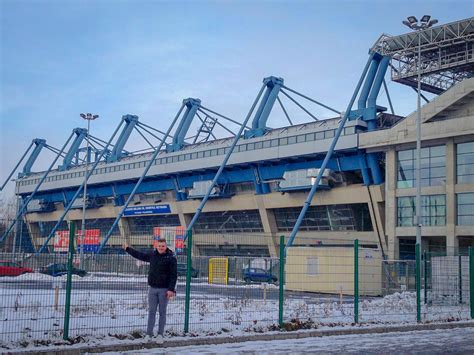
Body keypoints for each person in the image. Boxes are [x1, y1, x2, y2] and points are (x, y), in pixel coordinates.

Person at [123, 238, 177, 341]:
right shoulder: (152, 255)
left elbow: (173, 275)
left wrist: (171, 289)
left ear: (166, 247)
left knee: (162, 312)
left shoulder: (171, 258)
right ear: (156, 246)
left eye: (163, 246)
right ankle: (149, 334)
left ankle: (160, 335)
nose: (161, 248)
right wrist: (127, 249)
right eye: (159, 246)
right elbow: (140, 255)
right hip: (152, 289)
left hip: (164, 290)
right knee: (151, 312)